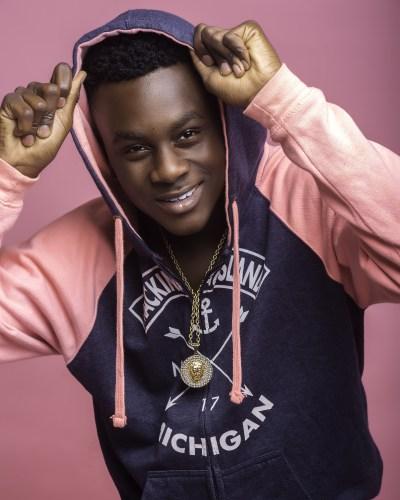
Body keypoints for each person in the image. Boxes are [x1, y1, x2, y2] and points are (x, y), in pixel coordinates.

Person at [0, 7, 399, 500]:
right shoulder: (73, 262)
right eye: (135, 149)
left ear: (223, 122)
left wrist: (287, 103)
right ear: (105, 157)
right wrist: (6, 177)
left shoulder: (307, 202)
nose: (168, 169)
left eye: (188, 135)